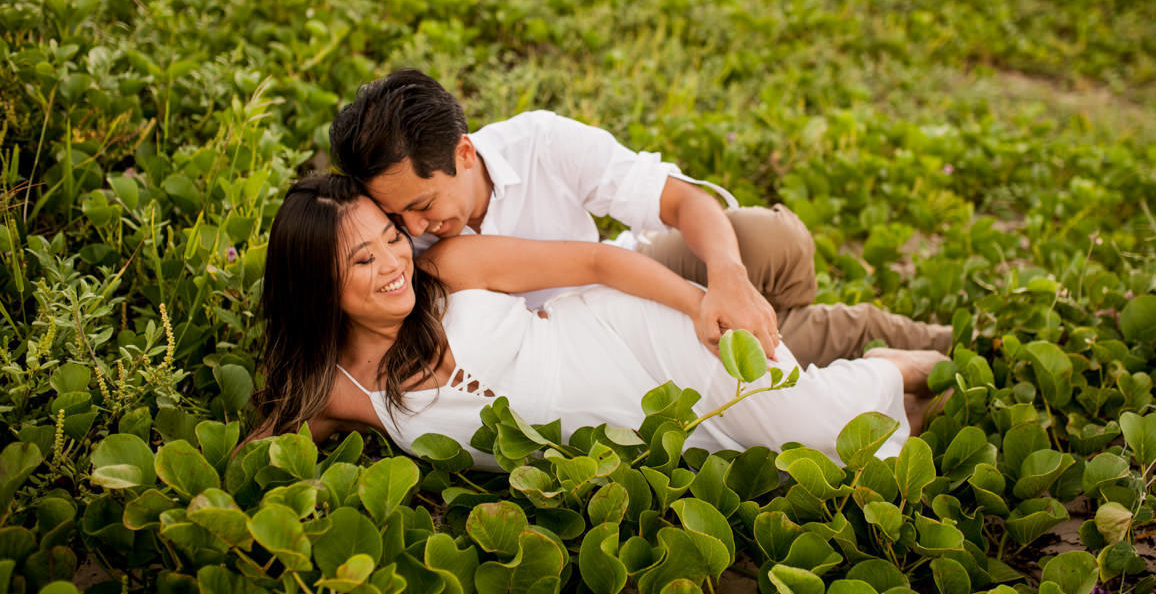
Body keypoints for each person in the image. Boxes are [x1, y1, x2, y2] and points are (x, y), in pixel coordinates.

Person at [252, 174, 947, 469]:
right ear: (318, 288)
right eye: (362, 259)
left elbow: (594, 262)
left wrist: (701, 304)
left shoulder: (447, 267)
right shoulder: (342, 392)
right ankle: (880, 379)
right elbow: (248, 458)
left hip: (635, 341)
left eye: (390, 237)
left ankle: (893, 367)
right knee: (786, 471)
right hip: (624, 447)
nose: (393, 262)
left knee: (821, 432)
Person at [328, 69, 952, 368]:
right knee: (777, 340)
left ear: (464, 153)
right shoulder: (402, 238)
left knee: (768, 240)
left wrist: (728, 277)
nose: (409, 228)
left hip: (625, 269)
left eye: (423, 206)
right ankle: (946, 348)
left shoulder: (541, 143)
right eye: (393, 214)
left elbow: (682, 201)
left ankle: (772, 305)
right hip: (593, 343)